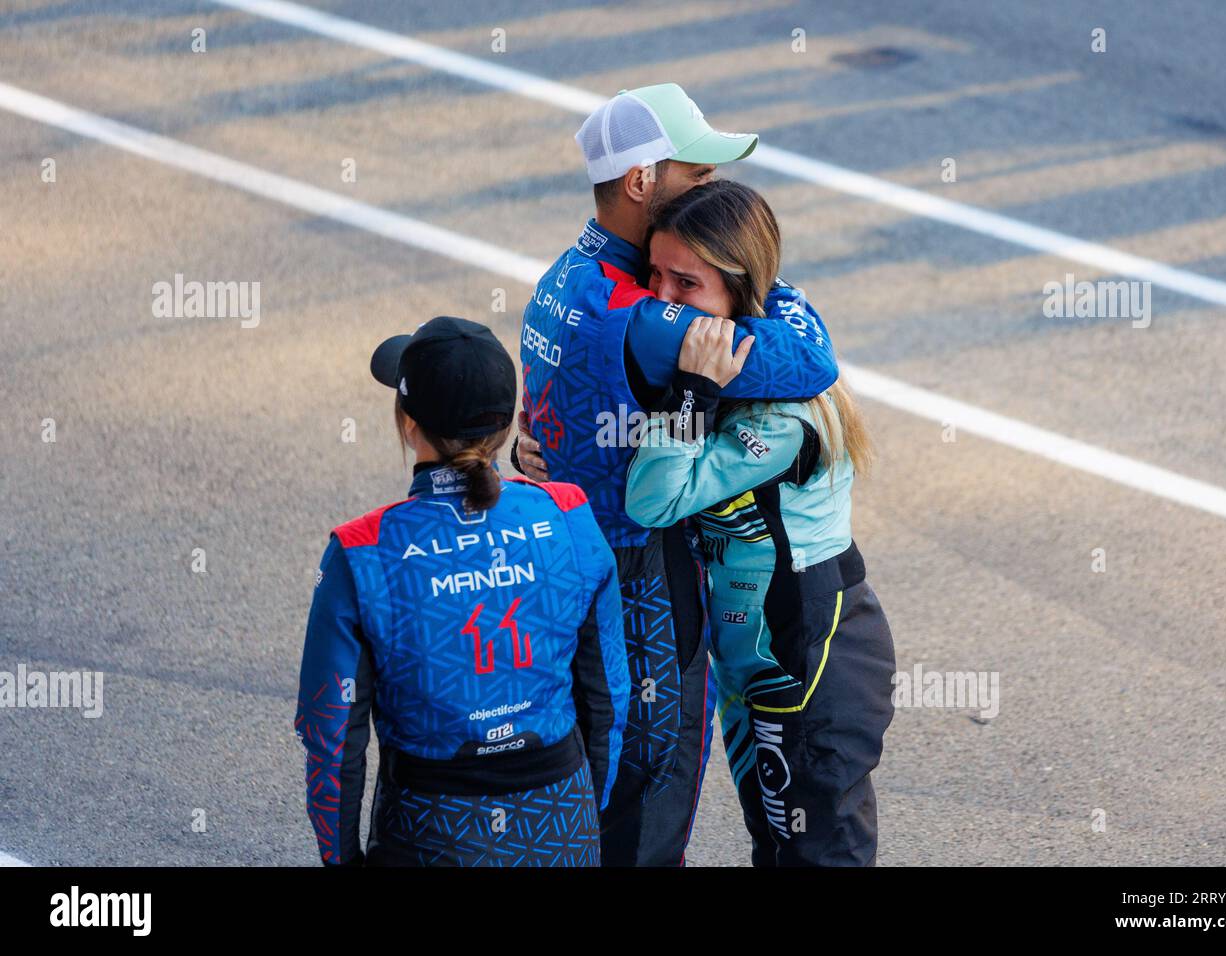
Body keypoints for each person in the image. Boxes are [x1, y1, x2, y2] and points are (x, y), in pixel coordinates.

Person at [514, 83, 840, 866]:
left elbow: (542, 412)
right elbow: (810, 360)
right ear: (640, 183)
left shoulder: (563, 273)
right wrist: (760, 272)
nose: (712, 189)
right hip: (642, 576)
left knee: (585, 777)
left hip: (560, 549)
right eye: (696, 173)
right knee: (651, 792)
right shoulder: (652, 318)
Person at [625, 180, 896, 866]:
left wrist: (690, 393)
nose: (661, 299)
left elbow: (654, 499)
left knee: (814, 851)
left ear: (741, 293)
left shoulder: (783, 413)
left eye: (686, 283)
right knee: (776, 844)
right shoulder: (751, 352)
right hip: (754, 655)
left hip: (809, 648)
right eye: (653, 275)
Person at [294, 316, 630, 866]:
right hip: (562, 823)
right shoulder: (568, 514)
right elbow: (608, 699)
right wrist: (583, 818)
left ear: (407, 424)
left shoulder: (361, 551)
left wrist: (341, 860)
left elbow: (331, 734)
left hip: (430, 831)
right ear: (502, 431)